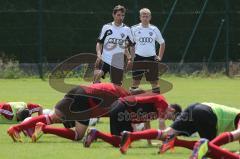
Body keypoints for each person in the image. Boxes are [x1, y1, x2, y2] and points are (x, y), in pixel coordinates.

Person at [7, 83, 130, 142]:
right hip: (86, 99)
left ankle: (16, 128)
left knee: (51, 117)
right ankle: (44, 129)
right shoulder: (127, 99)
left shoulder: (121, 90)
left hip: (78, 89)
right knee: (78, 136)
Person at [119, 102, 240, 156]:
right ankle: (177, 142)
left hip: (197, 107)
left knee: (167, 133)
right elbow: (236, 135)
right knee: (208, 149)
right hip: (207, 114)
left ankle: (132, 136)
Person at [83, 93, 181, 148]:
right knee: (124, 141)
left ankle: (95, 134)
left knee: (121, 141)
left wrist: (149, 143)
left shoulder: (157, 111)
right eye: (170, 117)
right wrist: (165, 142)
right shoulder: (162, 102)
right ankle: (96, 133)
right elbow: (161, 123)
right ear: (172, 110)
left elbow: (147, 124)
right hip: (121, 107)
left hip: (120, 108)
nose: (167, 118)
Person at [93, 5, 134, 85]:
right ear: (113, 15)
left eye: (122, 15)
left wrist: (130, 59)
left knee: (117, 87)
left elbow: (132, 45)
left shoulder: (127, 29)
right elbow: (99, 43)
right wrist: (99, 54)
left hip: (117, 62)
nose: (120, 17)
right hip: (104, 60)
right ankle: (97, 95)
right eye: (118, 15)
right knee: (96, 81)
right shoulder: (106, 27)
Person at [130, 8, 165, 94]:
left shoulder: (154, 29)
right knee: (135, 82)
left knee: (154, 82)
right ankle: (132, 103)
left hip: (151, 59)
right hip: (138, 58)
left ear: (150, 17)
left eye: (147, 16)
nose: (145, 18)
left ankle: (157, 103)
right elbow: (131, 44)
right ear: (140, 17)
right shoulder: (134, 29)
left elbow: (162, 43)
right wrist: (131, 57)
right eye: (143, 16)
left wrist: (159, 56)